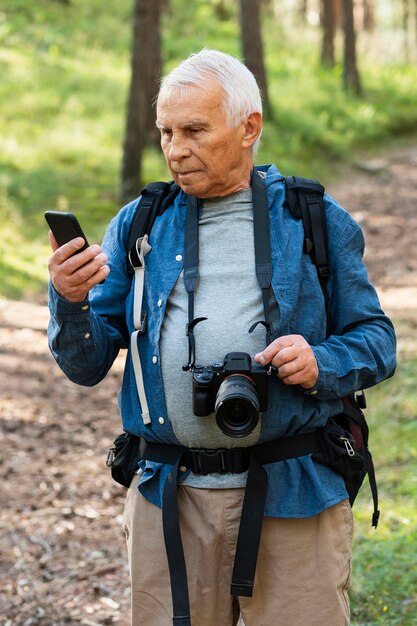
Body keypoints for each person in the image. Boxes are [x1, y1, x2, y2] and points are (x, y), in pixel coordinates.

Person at [47, 49, 396, 626]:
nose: (175, 150)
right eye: (165, 132)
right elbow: (85, 363)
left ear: (248, 127)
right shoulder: (139, 224)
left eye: (194, 131)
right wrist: (70, 299)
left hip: (296, 494)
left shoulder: (313, 218)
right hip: (170, 500)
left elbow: (377, 340)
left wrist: (322, 361)